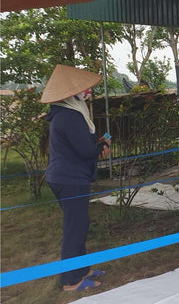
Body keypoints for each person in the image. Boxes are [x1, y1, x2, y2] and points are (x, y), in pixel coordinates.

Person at [42, 64, 111, 291]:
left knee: (79, 224)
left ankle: (81, 270)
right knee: (75, 228)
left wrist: (96, 144)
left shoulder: (63, 113)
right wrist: (102, 145)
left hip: (66, 176)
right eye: (79, 91)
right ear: (70, 94)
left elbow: (79, 145)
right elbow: (85, 151)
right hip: (69, 179)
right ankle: (70, 281)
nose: (84, 94)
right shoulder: (70, 116)